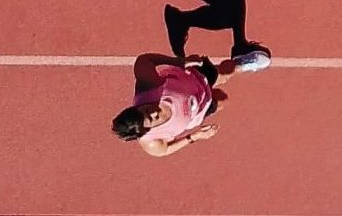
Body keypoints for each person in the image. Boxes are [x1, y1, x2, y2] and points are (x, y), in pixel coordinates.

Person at [110, 49, 268, 157]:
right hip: (199, 108)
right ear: (145, 131)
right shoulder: (151, 142)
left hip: (195, 79)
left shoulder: (150, 86)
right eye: (152, 119)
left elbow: (144, 59)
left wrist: (178, 62)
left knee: (224, 73)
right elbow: (164, 150)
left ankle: (242, 63)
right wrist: (194, 137)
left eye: (145, 110)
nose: (153, 112)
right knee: (221, 99)